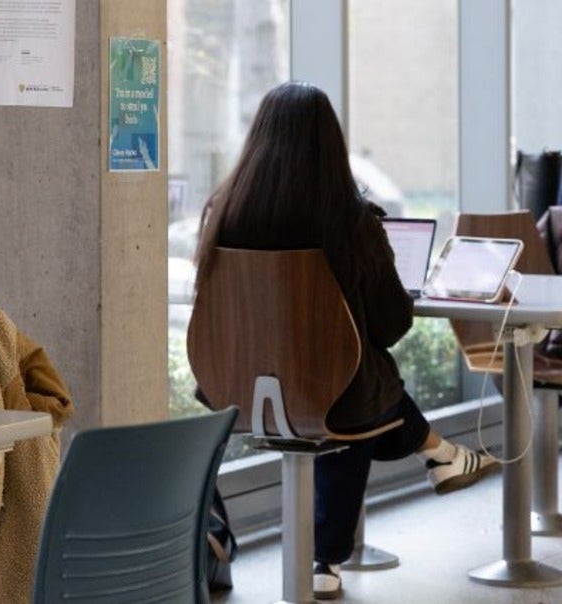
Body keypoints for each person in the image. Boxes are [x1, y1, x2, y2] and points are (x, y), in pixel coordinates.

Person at [193, 81, 498, 601]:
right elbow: (392, 326)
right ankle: (337, 547)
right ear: (331, 145)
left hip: (233, 388)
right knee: (353, 374)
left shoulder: (221, 215)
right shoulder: (352, 222)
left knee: (347, 373)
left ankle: (436, 456)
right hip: (330, 395)